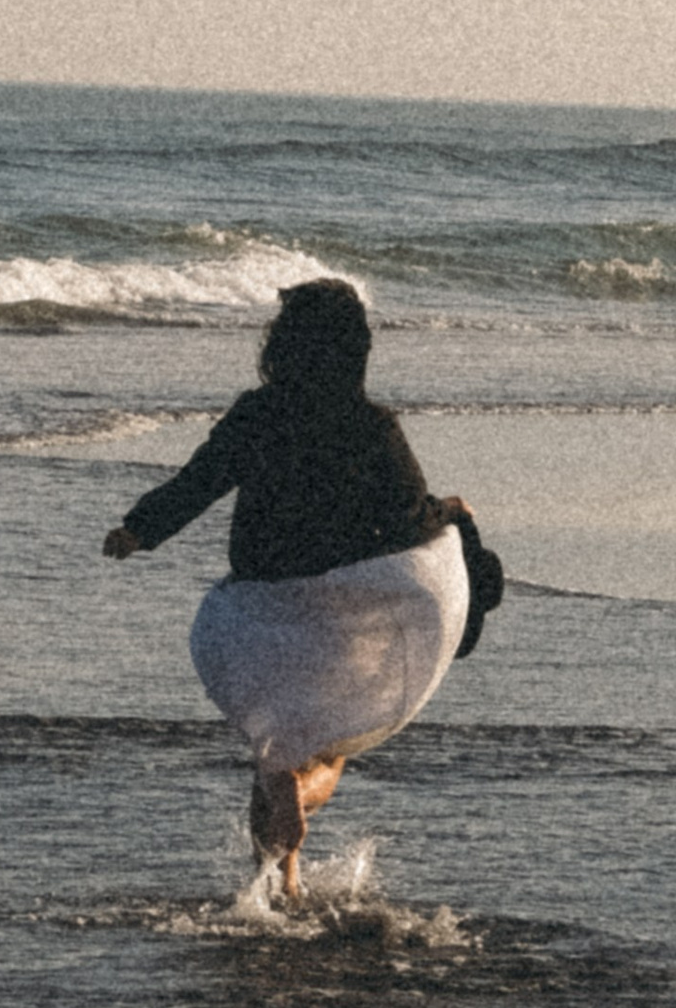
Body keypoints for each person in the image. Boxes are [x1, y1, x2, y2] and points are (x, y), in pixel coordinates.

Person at [102, 278, 471, 898]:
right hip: (342, 607)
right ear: (356, 352)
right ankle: (298, 803)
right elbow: (409, 516)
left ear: (283, 345)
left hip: (264, 597)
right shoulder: (371, 426)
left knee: (274, 739)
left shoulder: (256, 413)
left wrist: (140, 528)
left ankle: (279, 879)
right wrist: (452, 513)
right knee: (326, 746)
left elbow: (200, 481)